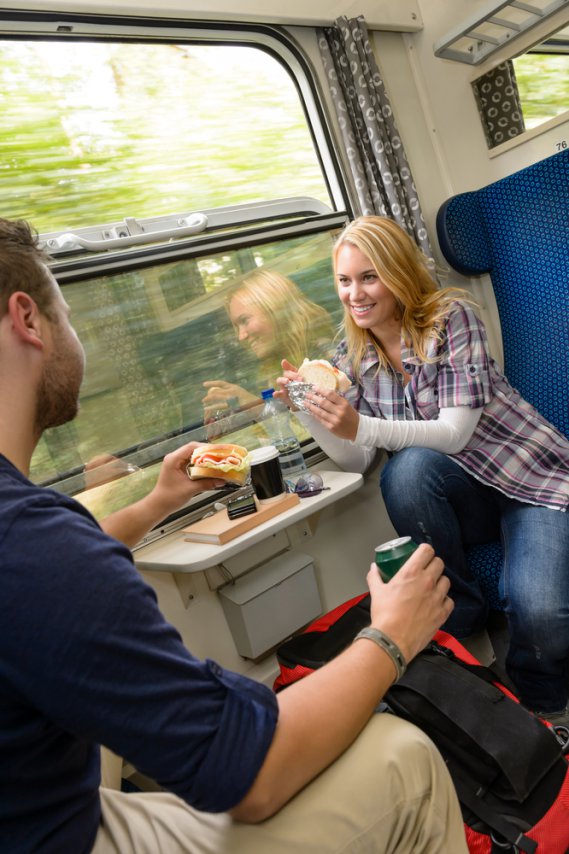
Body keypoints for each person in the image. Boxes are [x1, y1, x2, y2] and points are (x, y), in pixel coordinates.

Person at [0, 217, 467, 854]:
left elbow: (47, 561)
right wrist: (391, 636)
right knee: (403, 756)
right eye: (68, 313)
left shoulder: (32, 535)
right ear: (29, 319)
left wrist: (156, 503)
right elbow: (252, 776)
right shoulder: (35, 546)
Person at [277, 214, 569, 724]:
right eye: (344, 280)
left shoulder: (451, 318)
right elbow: (357, 457)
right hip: (464, 494)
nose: (354, 294)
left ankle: (546, 713)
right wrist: (308, 409)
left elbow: (454, 433)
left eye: (369, 277)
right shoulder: (352, 355)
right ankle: (463, 617)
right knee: (404, 472)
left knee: (540, 610)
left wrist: (359, 424)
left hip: (528, 480)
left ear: (397, 273)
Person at [202, 268, 335, 418]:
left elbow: (325, 425)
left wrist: (255, 406)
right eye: (237, 327)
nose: (241, 336)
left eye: (245, 320)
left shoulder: (327, 360)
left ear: (275, 311)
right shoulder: (273, 371)